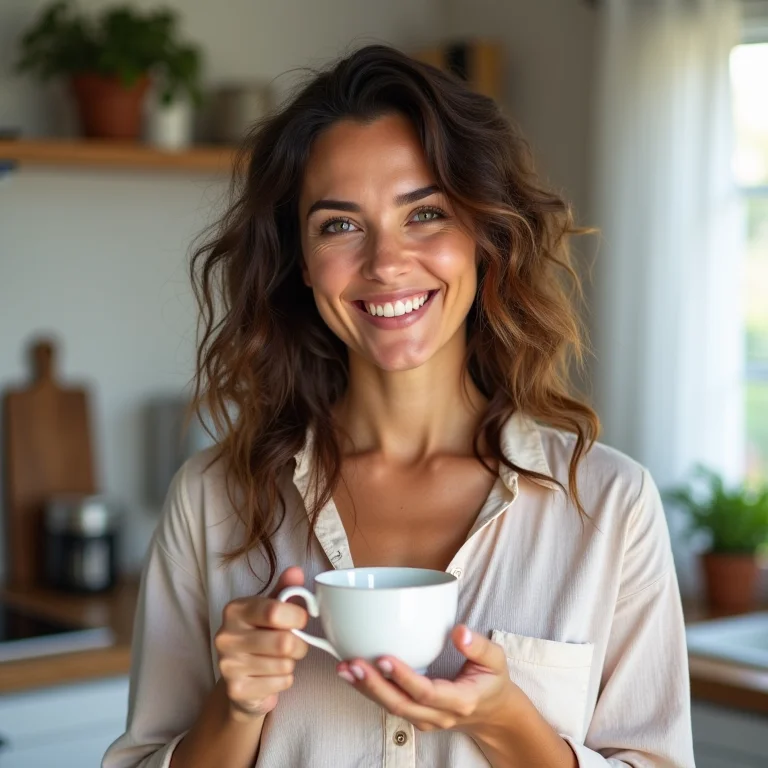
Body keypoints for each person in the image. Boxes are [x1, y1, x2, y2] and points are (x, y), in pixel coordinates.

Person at [103, 44, 695, 768]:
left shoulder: (609, 505)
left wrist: (510, 723)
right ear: (299, 259)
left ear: (485, 234)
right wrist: (235, 709)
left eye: (425, 213)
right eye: (339, 224)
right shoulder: (211, 500)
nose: (386, 263)